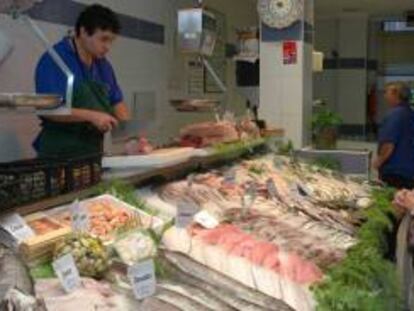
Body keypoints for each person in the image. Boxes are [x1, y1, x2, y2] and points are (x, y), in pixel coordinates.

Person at [33, 4, 130, 158]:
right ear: (83, 31)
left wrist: (132, 136)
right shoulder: (55, 59)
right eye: (103, 39)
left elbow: (117, 102)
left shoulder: (103, 65)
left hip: (92, 152)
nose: (107, 47)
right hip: (59, 154)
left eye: (111, 41)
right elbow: (49, 109)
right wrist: (92, 116)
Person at [373, 82, 414, 189]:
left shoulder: (395, 115)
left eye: (387, 92)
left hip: (395, 172)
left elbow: (388, 144)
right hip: (409, 171)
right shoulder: (410, 113)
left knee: (393, 201)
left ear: (395, 95)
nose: (385, 96)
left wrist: (379, 161)